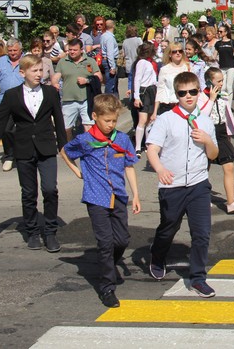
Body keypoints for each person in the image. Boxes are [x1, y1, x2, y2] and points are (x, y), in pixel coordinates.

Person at [60, 94, 140, 308]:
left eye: (114, 121)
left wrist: (136, 195)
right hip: (96, 197)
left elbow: (129, 166)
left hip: (118, 196)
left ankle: (109, 263)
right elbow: (65, 151)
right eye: (107, 121)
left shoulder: (121, 139)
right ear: (95, 116)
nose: (111, 125)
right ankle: (107, 288)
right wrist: (77, 170)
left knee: (122, 240)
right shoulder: (86, 140)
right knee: (105, 243)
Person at [0, 55, 68, 252]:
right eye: (34, 71)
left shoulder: (50, 93)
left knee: (49, 189)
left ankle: (50, 232)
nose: (39, 74)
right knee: (29, 193)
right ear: (23, 73)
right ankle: (32, 232)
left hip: (46, 147)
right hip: (23, 148)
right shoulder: (12, 95)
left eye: (41, 70)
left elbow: (59, 120)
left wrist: (64, 145)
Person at [147, 71, 219, 298]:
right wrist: (160, 169)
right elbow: (152, 149)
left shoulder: (206, 120)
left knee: (202, 233)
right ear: (176, 94)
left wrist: (207, 140)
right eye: (183, 93)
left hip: (198, 184)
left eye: (193, 92)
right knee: (168, 228)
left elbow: (214, 154)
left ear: (199, 92)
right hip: (173, 185)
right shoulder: (166, 119)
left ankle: (198, 278)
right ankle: (157, 257)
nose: (188, 96)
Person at [204, 68, 234, 214]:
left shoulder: (222, 96)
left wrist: (229, 133)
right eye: (219, 81)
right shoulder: (201, 97)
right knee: (204, 167)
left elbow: (227, 116)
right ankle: (202, 196)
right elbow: (202, 115)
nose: (222, 83)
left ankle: (231, 201)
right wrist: (210, 99)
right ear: (209, 82)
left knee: (229, 166)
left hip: (221, 133)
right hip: (208, 133)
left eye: (222, 80)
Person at [52, 39, 103, 141]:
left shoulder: (89, 61)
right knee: (66, 128)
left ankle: (88, 148)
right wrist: (54, 83)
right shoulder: (63, 62)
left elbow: (99, 78)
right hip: (68, 100)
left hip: (86, 99)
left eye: (75, 50)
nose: (72, 52)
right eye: (70, 50)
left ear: (81, 50)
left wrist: (87, 80)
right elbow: (56, 76)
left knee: (88, 126)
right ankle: (69, 148)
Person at [0, 38, 25, 170]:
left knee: (24, 129)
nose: (12, 53)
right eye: (10, 51)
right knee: (6, 129)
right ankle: (9, 156)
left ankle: (24, 155)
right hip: (4, 101)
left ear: (21, 50)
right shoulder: (0, 62)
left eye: (15, 50)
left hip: (25, 101)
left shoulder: (27, 61)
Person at [151, 43, 191, 121]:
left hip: (184, 105)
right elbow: (160, 90)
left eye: (180, 51)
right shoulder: (164, 69)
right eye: (174, 51)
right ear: (169, 54)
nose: (178, 53)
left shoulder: (187, 67)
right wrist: (155, 112)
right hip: (168, 106)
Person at [132, 43, 158, 157]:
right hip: (144, 92)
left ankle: (147, 144)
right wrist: (136, 97)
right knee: (142, 120)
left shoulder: (148, 62)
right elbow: (137, 79)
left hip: (152, 90)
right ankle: (138, 147)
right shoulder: (142, 63)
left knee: (149, 121)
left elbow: (153, 79)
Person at [215, 24, 234, 97]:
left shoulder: (232, 42)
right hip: (222, 67)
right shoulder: (218, 43)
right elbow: (214, 56)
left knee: (228, 87)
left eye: (221, 31)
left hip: (231, 66)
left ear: (226, 32)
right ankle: (223, 104)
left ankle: (229, 107)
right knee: (222, 87)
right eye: (218, 31)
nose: (219, 33)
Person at [101, 20, 120, 95]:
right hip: (110, 62)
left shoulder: (103, 35)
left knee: (113, 84)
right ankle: (107, 102)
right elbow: (110, 53)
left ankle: (115, 101)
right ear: (113, 26)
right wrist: (112, 67)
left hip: (106, 60)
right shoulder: (110, 38)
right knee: (110, 84)